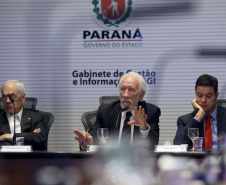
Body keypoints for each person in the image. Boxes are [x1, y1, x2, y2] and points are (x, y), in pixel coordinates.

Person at [74, 72, 161, 149]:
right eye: (122, 89)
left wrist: (144, 127)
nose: (125, 95)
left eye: (131, 90)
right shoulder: (105, 111)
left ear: (141, 95)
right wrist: (87, 143)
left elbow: (152, 144)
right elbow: (91, 139)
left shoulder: (150, 111)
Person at [173, 74, 226, 150]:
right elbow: (178, 145)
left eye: (208, 96)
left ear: (216, 95)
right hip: (196, 161)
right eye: (199, 96)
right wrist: (197, 118)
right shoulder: (184, 120)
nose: (203, 100)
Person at [0, 80, 48, 150]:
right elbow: (33, 138)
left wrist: (7, 137)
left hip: (28, 159)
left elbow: (40, 138)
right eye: (4, 97)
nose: (7, 101)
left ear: (23, 97)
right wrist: (29, 136)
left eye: (12, 96)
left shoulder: (36, 117)